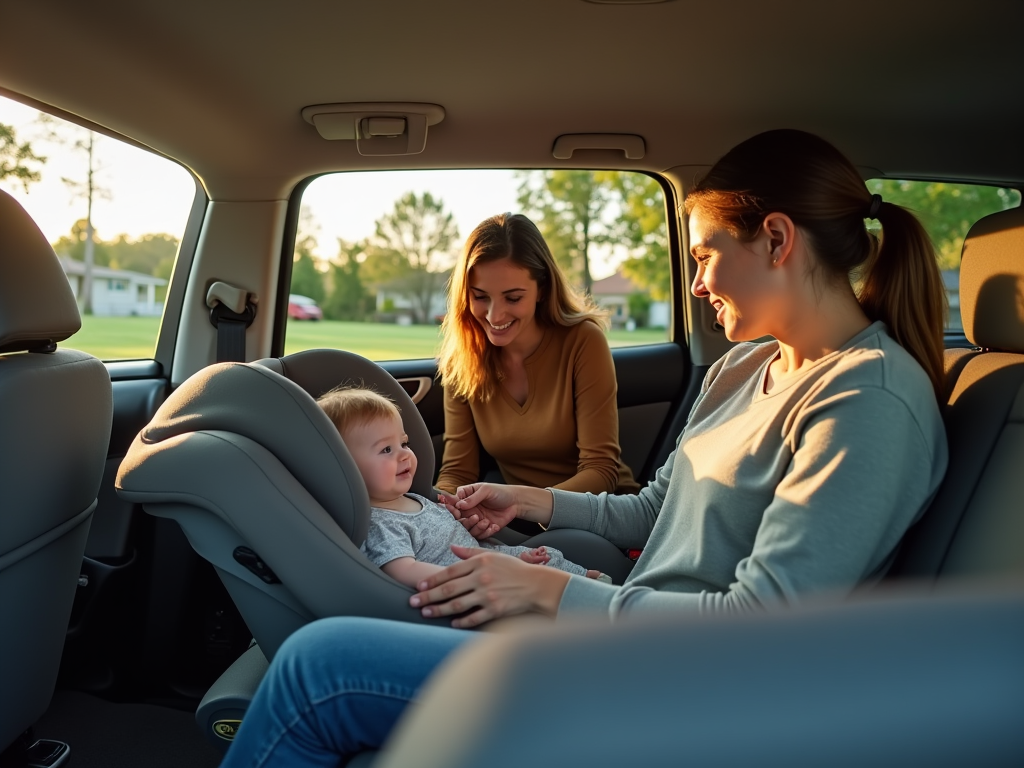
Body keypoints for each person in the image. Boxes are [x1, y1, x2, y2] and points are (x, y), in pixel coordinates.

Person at [219, 129, 949, 767]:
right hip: (627, 639)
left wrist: (554, 592)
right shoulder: (747, 365)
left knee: (319, 667)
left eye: (705, 256)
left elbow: (761, 628)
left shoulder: (868, 402)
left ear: (779, 240)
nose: (695, 283)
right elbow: (658, 509)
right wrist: (530, 500)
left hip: (686, 686)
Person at [315, 386, 611, 586]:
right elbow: (404, 571)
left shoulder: (417, 499)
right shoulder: (381, 524)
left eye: (403, 443)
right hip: (474, 582)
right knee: (546, 577)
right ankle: (599, 604)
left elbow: (465, 542)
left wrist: (501, 550)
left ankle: (599, 590)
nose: (405, 454)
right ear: (345, 468)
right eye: (386, 450)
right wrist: (479, 574)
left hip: (492, 561)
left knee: (551, 559)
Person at [434, 212, 640, 496]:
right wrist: (436, 508)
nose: (495, 315)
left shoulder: (583, 341)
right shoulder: (463, 359)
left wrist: (522, 506)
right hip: (517, 519)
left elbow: (601, 470)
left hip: (596, 512)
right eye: (480, 296)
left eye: (513, 297)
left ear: (542, 289)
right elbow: (458, 472)